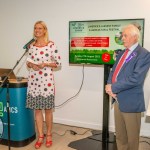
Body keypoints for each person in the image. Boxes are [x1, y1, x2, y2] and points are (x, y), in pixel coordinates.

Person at [105, 24, 150, 150]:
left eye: (125, 35)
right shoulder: (121, 53)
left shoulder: (144, 54)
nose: (122, 38)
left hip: (131, 101)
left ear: (135, 37)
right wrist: (109, 86)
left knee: (132, 138)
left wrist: (114, 87)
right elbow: (113, 71)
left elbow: (136, 79)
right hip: (117, 99)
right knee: (120, 136)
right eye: (122, 35)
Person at [26, 21, 61, 149]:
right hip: (34, 81)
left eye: (40, 28)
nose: (37, 30)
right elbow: (28, 63)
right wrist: (32, 65)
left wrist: (45, 64)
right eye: (35, 28)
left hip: (46, 82)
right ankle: (41, 135)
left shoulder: (51, 45)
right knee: (37, 110)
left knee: (48, 110)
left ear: (45, 30)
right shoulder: (31, 46)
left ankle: (49, 134)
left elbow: (58, 63)